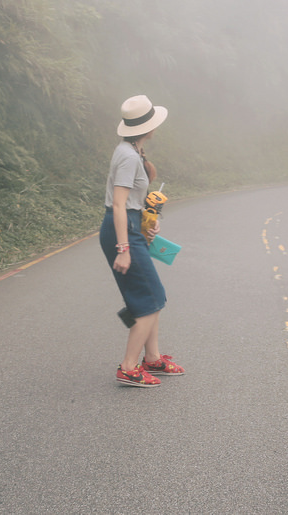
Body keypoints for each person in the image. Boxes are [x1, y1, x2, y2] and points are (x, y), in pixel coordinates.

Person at [100, 95, 185, 387]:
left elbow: (132, 203)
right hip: (120, 229)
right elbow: (119, 205)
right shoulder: (126, 156)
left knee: (149, 296)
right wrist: (123, 249)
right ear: (147, 126)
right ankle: (128, 367)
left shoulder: (134, 150)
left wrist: (147, 219)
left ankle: (153, 359)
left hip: (130, 226)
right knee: (151, 298)